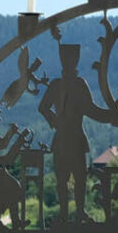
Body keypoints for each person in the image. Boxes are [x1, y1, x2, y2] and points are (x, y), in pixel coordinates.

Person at [38, 42, 114, 223]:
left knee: (80, 178)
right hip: (65, 139)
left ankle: (79, 211)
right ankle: (65, 213)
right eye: (67, 58)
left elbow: (91, 110)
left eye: (71, 58)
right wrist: (54, 120)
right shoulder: (59, 85)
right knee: (64, 179)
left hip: (74, 139)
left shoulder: (78, 85)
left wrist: (110, 115)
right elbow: (43, 107)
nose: (69, 62)